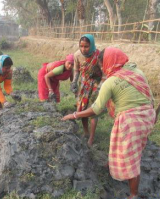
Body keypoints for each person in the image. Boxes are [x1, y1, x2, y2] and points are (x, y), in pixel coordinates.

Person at [62, 47, 155, 199]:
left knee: (132, 157)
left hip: (131, 122)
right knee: (118, 140)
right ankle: (111, 165)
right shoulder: (137, 72)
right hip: (147, 116)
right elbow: (149, 95)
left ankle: (133, 194)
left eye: (102, 65)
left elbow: (96, 109)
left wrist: (74, 115)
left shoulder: (111, 82)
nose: (102, 68)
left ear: (108, 62)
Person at [70, 34, 103, 146]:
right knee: (82, 108)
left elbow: (104, 72)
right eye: (81, 46)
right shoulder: (77, 55)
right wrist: (74, 81)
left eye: (86, 46)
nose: (83, 49)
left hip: (96, 85)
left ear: (92, 45)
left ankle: (91, 139)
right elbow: (76, 71)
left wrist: (101, 86)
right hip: (83, 84)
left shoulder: (98, 55)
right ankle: (86, 132)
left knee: (94, 110)